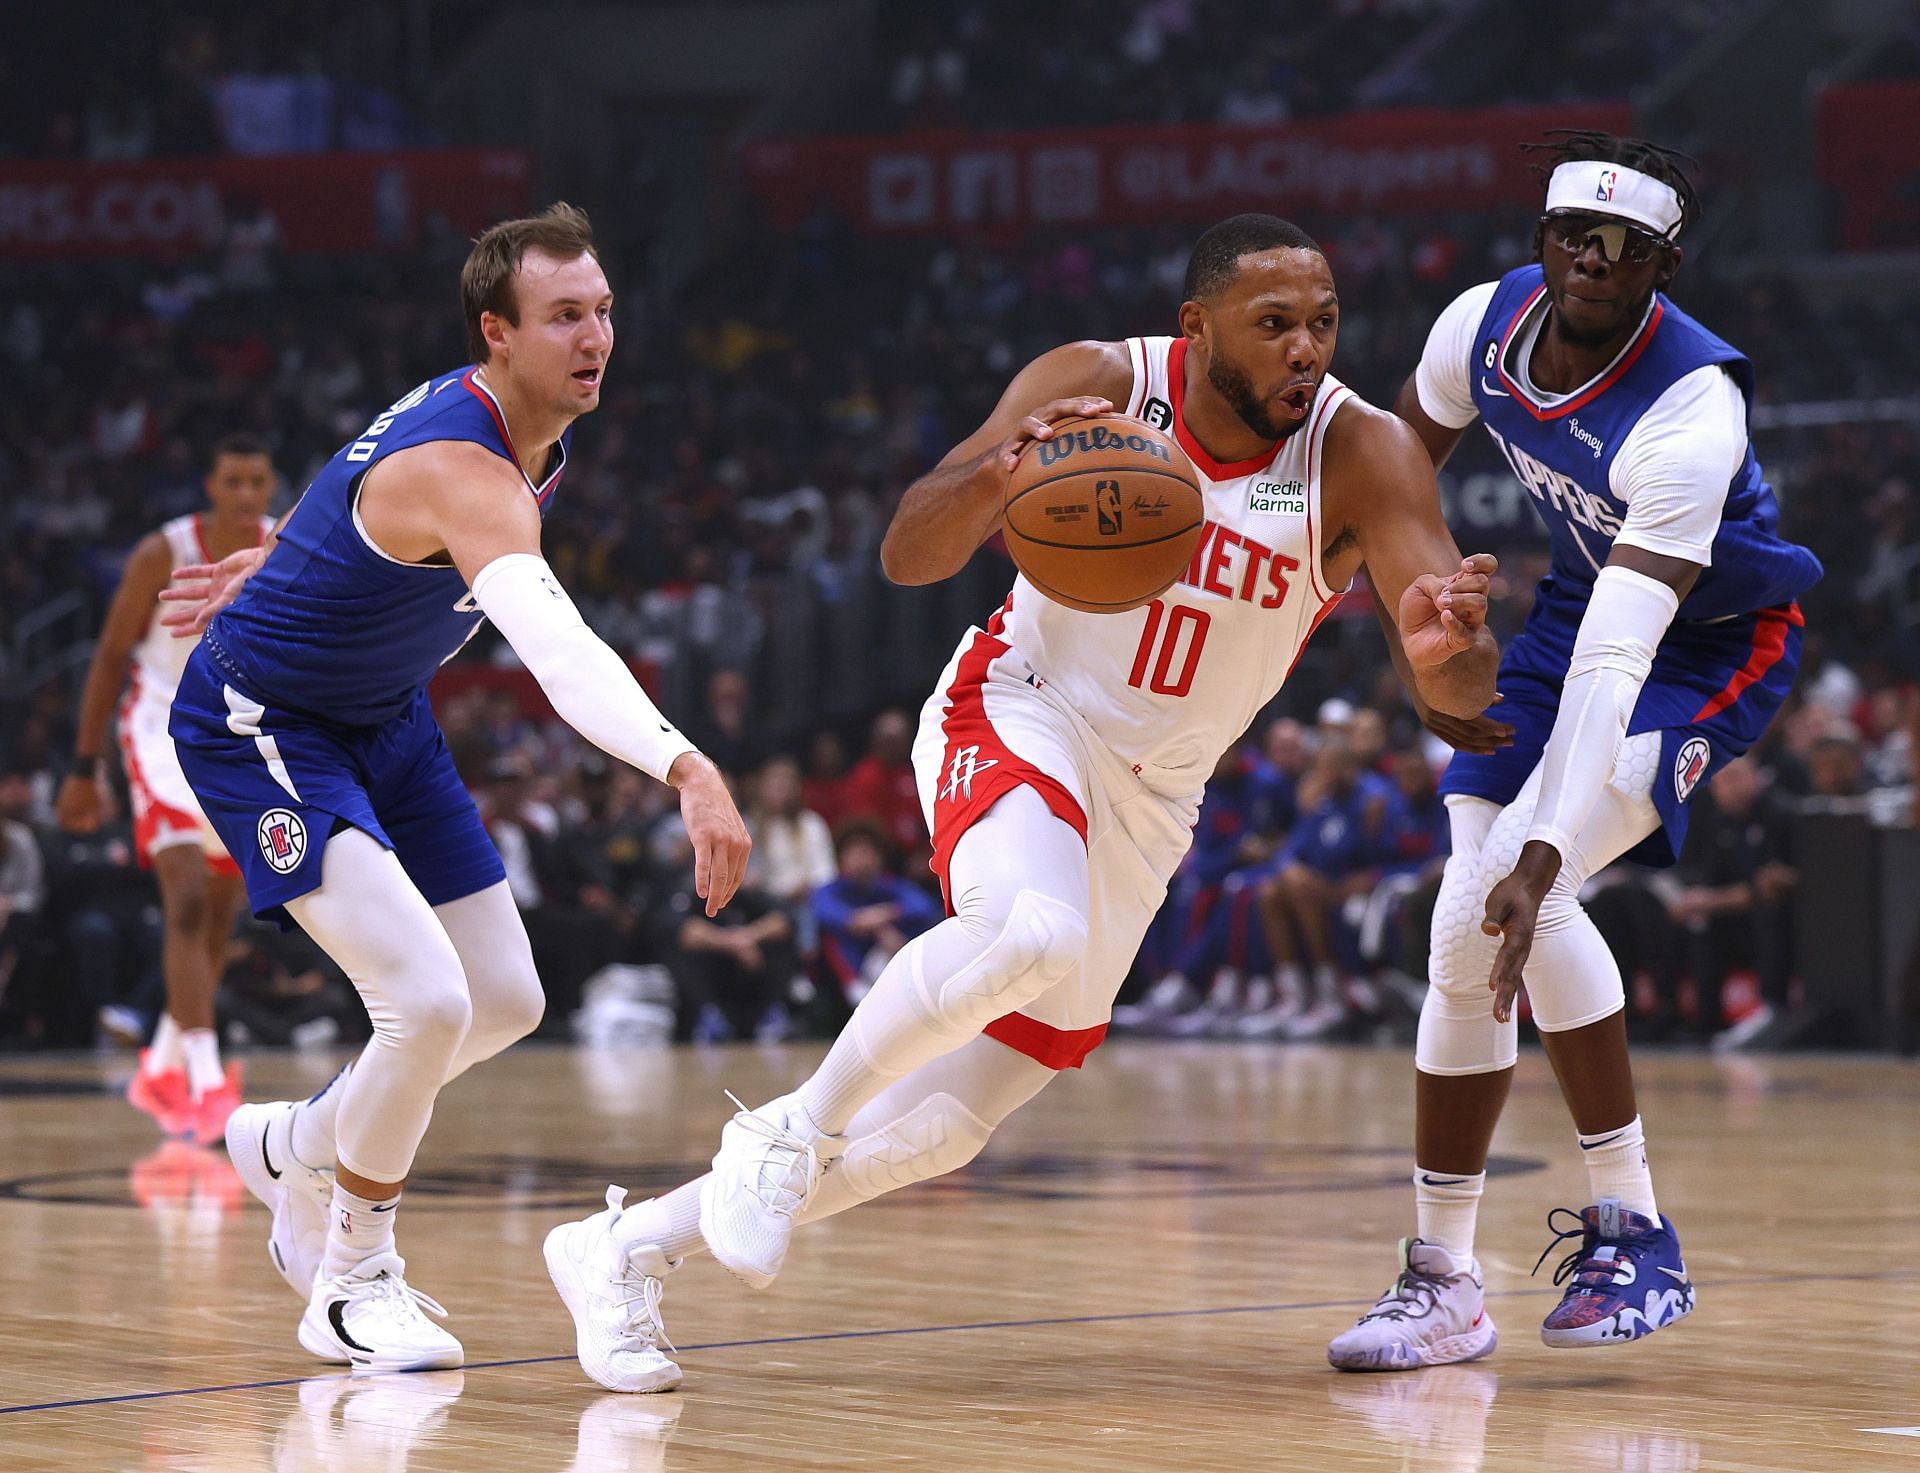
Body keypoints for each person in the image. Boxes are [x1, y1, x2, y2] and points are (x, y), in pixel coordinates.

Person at [543, 212, 1503, 1393]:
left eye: (1322, 323)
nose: (1306, 348)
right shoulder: (1099, 382)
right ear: (1196, 329)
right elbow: (908, 551)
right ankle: (783, 1130)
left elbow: (1453, 692)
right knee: (1026, 930)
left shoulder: (1365, 453)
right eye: (1274, 325)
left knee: (949, 1126)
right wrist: (998, 480)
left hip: (1156, 800)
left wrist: (1448, 647)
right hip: (1021, 705)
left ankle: (617, 1249)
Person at [160, 204, 749, 1376]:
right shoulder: (468, 466)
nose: (595, 337)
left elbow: (360, 472)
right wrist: (686, 763)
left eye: (603, 312)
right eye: (564, 317)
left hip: (386, 719)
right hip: (262, 723)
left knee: (506, 998)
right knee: (424, 1004)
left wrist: (292, 543)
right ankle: (351, 1278)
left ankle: (291, 1143)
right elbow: (560, 650)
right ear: (498, 332)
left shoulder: (524, 434)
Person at [1328, 132, 1823, 1371]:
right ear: (1542, 239)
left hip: (1706, 644)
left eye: (1625, 248)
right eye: (1572, 237)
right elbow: (1387, 479)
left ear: (1663, 263)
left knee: (1523, 901)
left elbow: (1621, 658)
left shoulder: (1692, 406)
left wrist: (1546, 853)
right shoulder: (1479, 329)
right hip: (1572, 605)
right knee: (1461, 925)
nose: (1592, 263)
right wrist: (1409, 628)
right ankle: (1445, 1280)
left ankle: (1637, 1228)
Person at [55, 435, 275, 1143]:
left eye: (257, 482)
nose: (245, 495)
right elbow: (110, 655)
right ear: (210, 486)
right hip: (158, 723)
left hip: (234, 730)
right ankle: (207, 1084)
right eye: (233, 480)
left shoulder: (280, 548)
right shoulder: (165, 551)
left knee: (215, 914)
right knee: (182, 896)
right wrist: (83, 768)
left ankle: (160, 1065)